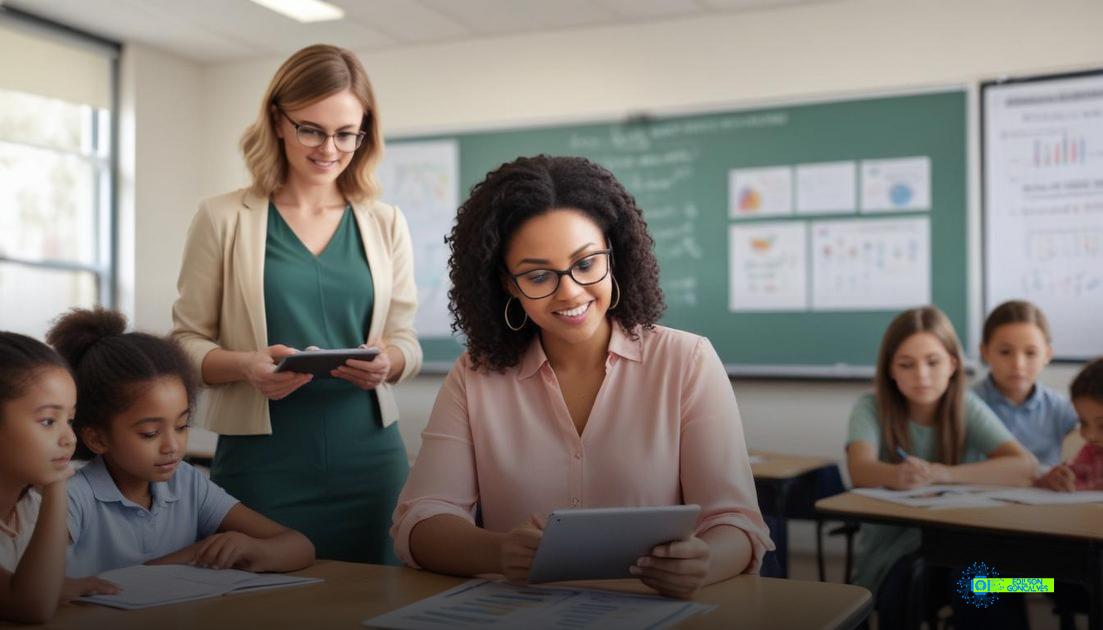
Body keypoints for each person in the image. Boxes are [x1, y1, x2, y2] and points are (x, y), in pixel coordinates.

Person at [391, 155, 772, 598]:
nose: (570, 291)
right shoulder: (476, 376)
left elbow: (737, 524)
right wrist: (496, 552)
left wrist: (704, 562)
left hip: (651, 613)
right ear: (508, 284)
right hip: (520, 617)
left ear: (614, 255)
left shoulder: (686, 360)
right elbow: (420, 521)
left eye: (586, 264)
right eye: (538, 275)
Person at [171, 45, 420, 563]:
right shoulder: (222, 218)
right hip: (263, 462)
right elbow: (184, 343)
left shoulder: (385, 222)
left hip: (370, 459)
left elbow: (406, 339)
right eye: (312, 129)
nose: (330, 148)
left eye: (347, 133)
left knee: (377, 605)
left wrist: (388, 362)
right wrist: (246, 365)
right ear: (277, 121)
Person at [49, 308, 314, 577]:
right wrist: (192, 555)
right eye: (150, 433)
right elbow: (41, 592)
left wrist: (253, 548)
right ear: (97, 438)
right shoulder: (71, 497)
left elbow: (299, 545)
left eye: (181, 426)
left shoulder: (187, 483)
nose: (172, 446)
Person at [846, 306, 1035, 628]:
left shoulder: (965, 405)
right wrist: (895, 474)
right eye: (906, 364)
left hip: (966, 545)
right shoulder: (871, 406)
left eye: (933, 362)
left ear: (953, 363)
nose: (921, 375)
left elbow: (1024, 465)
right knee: (902, 592)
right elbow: (859, 469)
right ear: (890, 369)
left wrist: (943, 473)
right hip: (894, 551)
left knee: (983, 585)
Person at [0, 331, 115, 622]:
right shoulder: (48, 498)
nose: (69, 438)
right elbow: (31, 607)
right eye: (49, 421)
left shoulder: (28, 508)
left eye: (70, 420)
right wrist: (58, 485)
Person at [974, 300, 1079, 489]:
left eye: (1030, 353)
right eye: (1005, 352)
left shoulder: (1061, 408)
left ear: (1047, 354)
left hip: (1043, 509)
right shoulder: (967, 404)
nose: (1018, 364)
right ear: (985, 352)